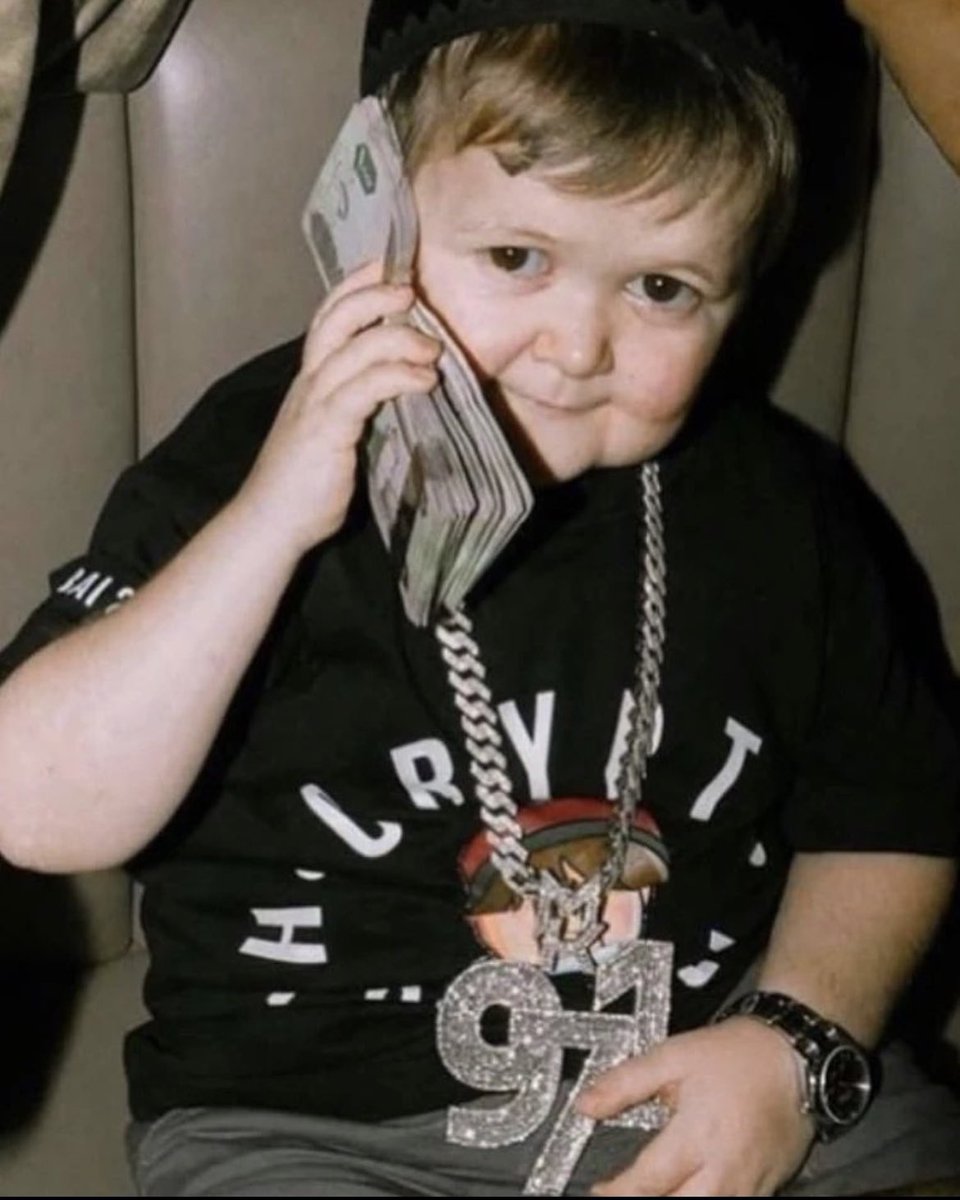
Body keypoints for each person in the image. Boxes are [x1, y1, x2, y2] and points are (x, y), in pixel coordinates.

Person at [0, 1, 958, 1195]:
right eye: (516, 259)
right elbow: (35, 805)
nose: (578, 345)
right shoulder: (245, 468)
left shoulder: (782, 508)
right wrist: (272, 521)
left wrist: (797, 1038)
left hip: (722, 1074)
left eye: (663, 287)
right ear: (376, 214)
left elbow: (894, 815)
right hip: (307, 1125)